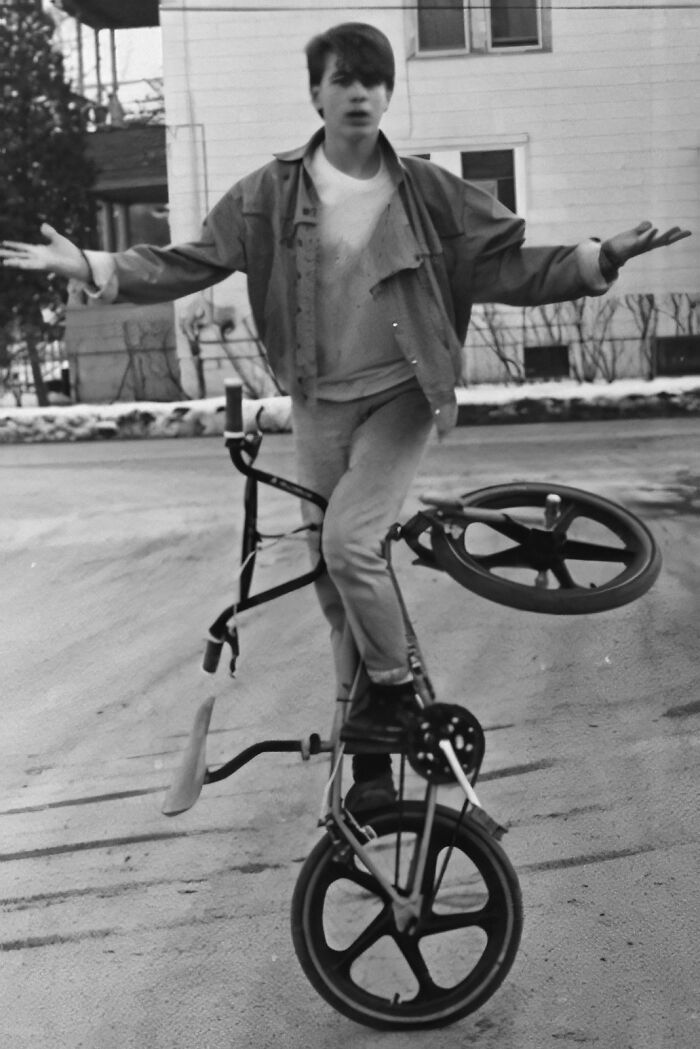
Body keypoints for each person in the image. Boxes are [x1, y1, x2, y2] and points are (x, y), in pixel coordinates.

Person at [1, 23, 691, 812]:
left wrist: (599, 258)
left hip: (402, 395)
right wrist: (96, 266)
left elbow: (507, 268)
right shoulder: (270, 193)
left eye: (374, 80)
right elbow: (191, 260)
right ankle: (368, 770)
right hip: (318, 404)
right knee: (338, 587)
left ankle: (397, 697)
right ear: (317, 95)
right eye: (343, 80)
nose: (360, 93)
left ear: (388, 94)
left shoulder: (428, 193)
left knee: (349, 544)